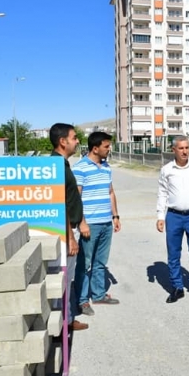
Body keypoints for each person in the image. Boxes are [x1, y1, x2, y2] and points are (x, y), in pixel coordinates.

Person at [156, 135, 189, 303]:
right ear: (174, 150)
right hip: (173, 216)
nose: (185, 151)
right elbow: (162, 193)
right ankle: (177, 287)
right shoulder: (167, 170)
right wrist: (160, 216)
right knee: (173, 253)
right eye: (181, 148)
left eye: (187, 147)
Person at [73, 132, 121, 316]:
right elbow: (76, 198)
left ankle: (99, 294)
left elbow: (110, 192)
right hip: (89, 225)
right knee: (84, 264)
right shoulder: (80, 168)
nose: (109, 149)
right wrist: (82, 223)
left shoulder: (107, 167)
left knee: (100, 262)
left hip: (106, 223)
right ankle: (82, 300)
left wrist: (115, 216)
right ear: (95, 148)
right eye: (106, 146)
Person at [50, 123, 88, 331]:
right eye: (74, 138)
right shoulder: (57, 167)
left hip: (70, 227)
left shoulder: (62, 165)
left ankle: (68, 319)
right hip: (65, 231)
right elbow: (61, 204)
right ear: (63, 142)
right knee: (63, 278)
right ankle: (61, 325)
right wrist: (70, 238)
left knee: (66, 278)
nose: (77, 141)